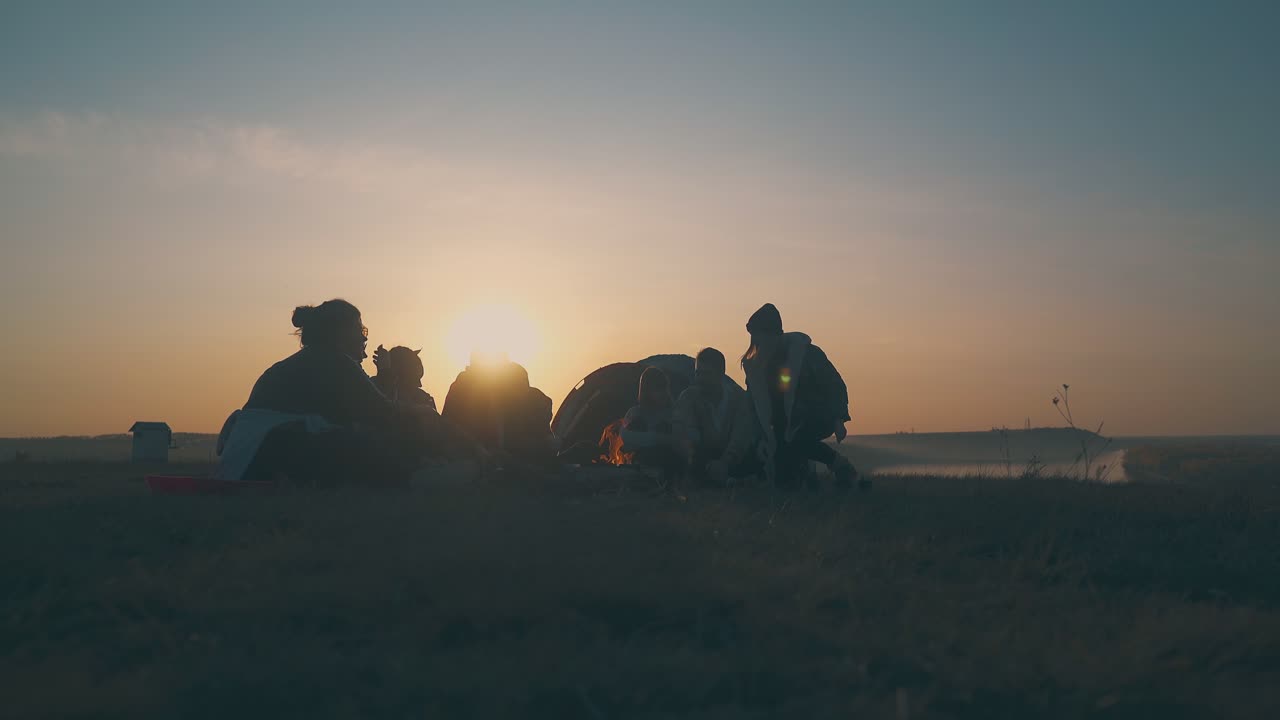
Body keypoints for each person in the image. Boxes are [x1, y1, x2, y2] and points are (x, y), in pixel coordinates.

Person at [217, 299, 478, 485]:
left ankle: (440, 468)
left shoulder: (313, 360)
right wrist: (422, 413)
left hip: (253, 459)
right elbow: (383, 413)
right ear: (341, 334)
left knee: (366, 438)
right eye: (360, 330)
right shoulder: (333, 361)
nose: (364, 338)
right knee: (364, 443)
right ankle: (439, 471)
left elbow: (368, 411)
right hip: (273, 454)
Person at [712, 303, 863, 490]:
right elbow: (752, 409)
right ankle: (802, 474)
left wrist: (838, 418)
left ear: (775, 335)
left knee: (797, 441)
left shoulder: (807, 354)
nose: (758, 343)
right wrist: (759, 440)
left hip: (811, 418)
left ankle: (841, 466)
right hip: (777, 430)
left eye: (761, 337)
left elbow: (833, 385)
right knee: (780, 477)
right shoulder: (755, 369)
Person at [442, 353, 555, 463]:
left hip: (504, 453)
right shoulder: (464, 385)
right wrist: (478, 448)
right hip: (471, 455)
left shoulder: (516, 386)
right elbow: (450, 427)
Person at [673, 347, 753, 484]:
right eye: (698, 373)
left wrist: (725, 462)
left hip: (731, 458)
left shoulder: (738, 398)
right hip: (701, 458)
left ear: (721, 374)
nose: (700, 379)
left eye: (706, 374)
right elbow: (682, 433)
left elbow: (741, 435)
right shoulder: (688, 398)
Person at [616, 366, 684, 476]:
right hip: (641, 464)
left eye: (664, 387)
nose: (663, 393)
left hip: (668, 463)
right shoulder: (635, 413)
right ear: (646, 390)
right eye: (657, 388)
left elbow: (681, 438)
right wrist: (657, 438)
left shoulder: (674, 413)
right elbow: (626, 436)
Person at [371, 345, 437, 411]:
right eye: (414, 379)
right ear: (397, 375)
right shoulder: (372, 391)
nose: (420, 384)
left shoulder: (425, 399)